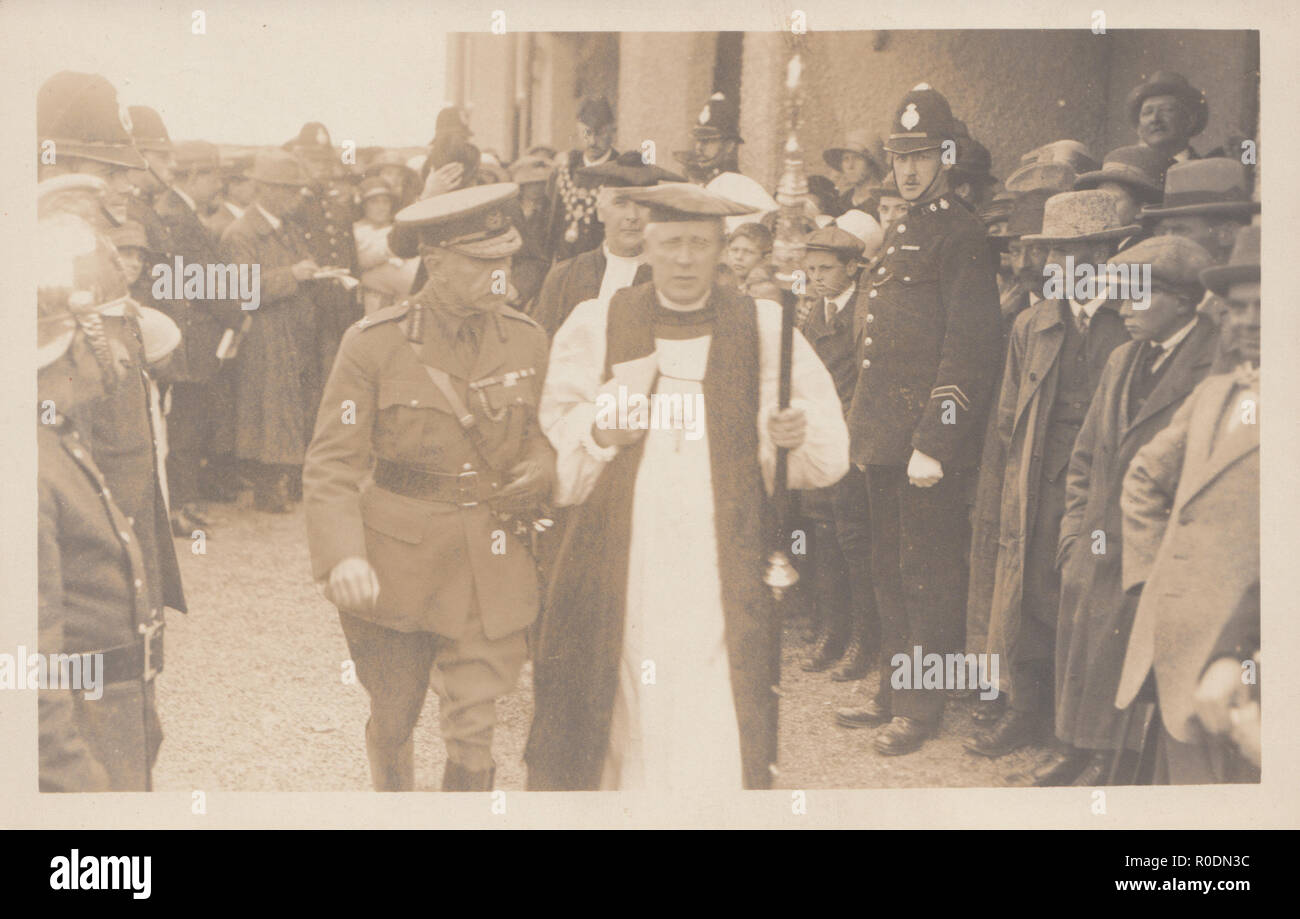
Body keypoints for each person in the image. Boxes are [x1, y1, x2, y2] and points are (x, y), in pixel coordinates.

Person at [526, 182, 848, 790]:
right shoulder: (598, 322)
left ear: (722, 250)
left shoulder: (763, 326)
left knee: (712, 702)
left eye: (699, 244)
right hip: (623, 553)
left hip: (718, 554)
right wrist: (600, 431)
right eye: (670, 242)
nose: (683, 258)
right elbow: (560, 457)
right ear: (646, 245)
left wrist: (785, 433)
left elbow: (825, 457)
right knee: (619, 699)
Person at [303, 183, 555, 792]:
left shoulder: (527, 338)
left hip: (491, 556)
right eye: (482, 263)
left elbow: (547, 431)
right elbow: (332, 464)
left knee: (475, 722)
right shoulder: (374, 343)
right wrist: (344, 554)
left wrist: (545, 463)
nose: (500, 277)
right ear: (436, 262)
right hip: (400, 560)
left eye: (506, 262)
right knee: (393, 719)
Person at [836, 84, 1002, 756]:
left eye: (922, 154)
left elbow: (971, 346)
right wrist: (866, 431)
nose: (907, 168)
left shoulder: (962, 233)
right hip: (882, 435)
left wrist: (937, 437)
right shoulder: (901, 226)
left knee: (924, 570)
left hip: (924, 442)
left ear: (947, 155)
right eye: (899, 155)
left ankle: (921, 704)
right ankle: (893, 684)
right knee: (885, 565)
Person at [972, 189, 1135, 759]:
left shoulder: (1130, 324)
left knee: (1085, 595)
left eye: (1085, 253)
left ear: (1111, 254)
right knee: (1033, 594)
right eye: (1058, 255)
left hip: (1101, 483)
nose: (1070, 267)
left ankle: (1079, 734)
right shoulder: (1031, 324)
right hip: (1040, 477)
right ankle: (1026, 711)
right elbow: (1008, 418)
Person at [1051, 236, 1219, 786]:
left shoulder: (1212, 366)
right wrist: (1073, 535)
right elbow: (1084, 457)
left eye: (1136, 296)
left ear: (1182, 301)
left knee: (1130, 661)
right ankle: (1076, 746)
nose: (1123, 308)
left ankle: (1110, 761)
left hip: (1153, 554)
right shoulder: (1123, 358)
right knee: (1085, 652)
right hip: (1097, 541)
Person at [37, 71, 186, 625]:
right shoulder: (52, 261)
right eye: (107, 171)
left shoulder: (91, 249)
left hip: (122, 507)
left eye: (126, 170)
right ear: (50, 165)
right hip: (87, 542)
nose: (129, 184)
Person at [1115, 224, 1260, 784]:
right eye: (1237, 308)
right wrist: (1152, 578)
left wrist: (1247, 650)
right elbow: (1145, 478)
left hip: (1248, 662)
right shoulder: (1218, 394)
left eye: (1265, 307)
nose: (1247, 322)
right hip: (1177, 643)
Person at [38, 212, 170, 792]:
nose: (127, 351)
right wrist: (74, 781)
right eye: (114, 334)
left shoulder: (55, 436)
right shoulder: (26, 465)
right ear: (74, 346)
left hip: (109, 714)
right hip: (80, 745)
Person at [965, 188, 1053, 717]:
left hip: (1029, 435)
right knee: (987, 549)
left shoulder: (1043, 308)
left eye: (1035, 251)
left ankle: (1017, 688)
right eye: (1016, 249)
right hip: (992, 433)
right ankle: (986, 674)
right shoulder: (1009, 301)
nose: (1024, 261)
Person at [795, 225, 880, 683]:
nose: (817, 278)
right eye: (810, 270)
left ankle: (864, 643)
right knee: (823, 534)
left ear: (852, 267)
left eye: (826, 269)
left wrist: (852, 435)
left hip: (853, 440)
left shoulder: (867, 312)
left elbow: (870, 381)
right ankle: (832, 631)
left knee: (854, 540)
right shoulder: (813, 315)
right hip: (821, 439)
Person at [218, 150, 322, 512]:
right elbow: (242, 289)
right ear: (267, 190)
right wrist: (292, 276)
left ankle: (283, 478)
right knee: (268, 407)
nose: (296, 198)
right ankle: (267, 484)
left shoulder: (285, 228)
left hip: (291, 327)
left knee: (288, 403)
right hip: (264, 330)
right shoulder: (241, 233)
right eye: (289, 190)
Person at [155, 140, 244, 525]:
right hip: (190, 339)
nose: (219, 187)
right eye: (214, 178)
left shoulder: (177, 212)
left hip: (191, 336)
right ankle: (181, 507)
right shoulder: (180, 216)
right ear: (193, 175)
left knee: (187, 424)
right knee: (186, 426)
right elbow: (203, 282)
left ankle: (184, 503)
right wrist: (239, 315)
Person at [530, 151, 681, 335]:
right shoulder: (565, 276)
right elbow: (542, 348)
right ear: (601, 212)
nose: (632, 216)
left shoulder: (673, 279)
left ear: (657, 214)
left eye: (643, 204)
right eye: (621, 204)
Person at [284, 121, 362, 388]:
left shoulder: (338, 205)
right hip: (306, 303)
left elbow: (350, 259)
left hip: (338, 304)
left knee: (337, 374)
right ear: (300, 161)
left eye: (325, 161)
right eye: (314, 161)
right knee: (307, 378)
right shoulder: (293, 205)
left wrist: (355, 299)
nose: (323, 168)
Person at [678, 91, 778, 233]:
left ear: (729, 145)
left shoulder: (742, 187)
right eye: (698, 140)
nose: (699, 148)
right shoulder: (703, 184)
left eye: (708, 141)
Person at [543, 96, 619, 263]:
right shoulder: (565, 169)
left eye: (600, 134)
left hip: (602, 266)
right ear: (578, 132)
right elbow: (550, 221)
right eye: (587, 134)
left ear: (612, 133)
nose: (592, 142)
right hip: (564, 263)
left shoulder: (622, 173)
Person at [353, 176, 418, 314]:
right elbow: (365, 258)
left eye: (385, 202)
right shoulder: (356, 231)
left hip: (406, 302)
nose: (381, 207)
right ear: (363, 205)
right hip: (374, 303)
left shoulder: (396, 229)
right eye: (374, 202)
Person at [1126, 70, 1209, 166]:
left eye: (1166, 110)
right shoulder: (1123, 171)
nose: (1154, 119)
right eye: (1147, 112)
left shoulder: (1207, 172)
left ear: (1190, 121)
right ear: (1139, 128)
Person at [1072, 144, 1167, 225]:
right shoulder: (1113, 244)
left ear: (1142, 209)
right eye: (1100, 199)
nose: (1101, 208)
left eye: (1112, 201)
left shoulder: (1142, 244)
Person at [824, 128, 884, 216]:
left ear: (872, 164)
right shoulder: (841, 203)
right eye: (846, 159)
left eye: (857, 158)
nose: (850, 166)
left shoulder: (885, 201)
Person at [723, 222, 782, 302]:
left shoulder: (766, 293)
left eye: (748, 252)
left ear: (765, 258)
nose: (739, 257)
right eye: (734, 250)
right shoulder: (718, 286)